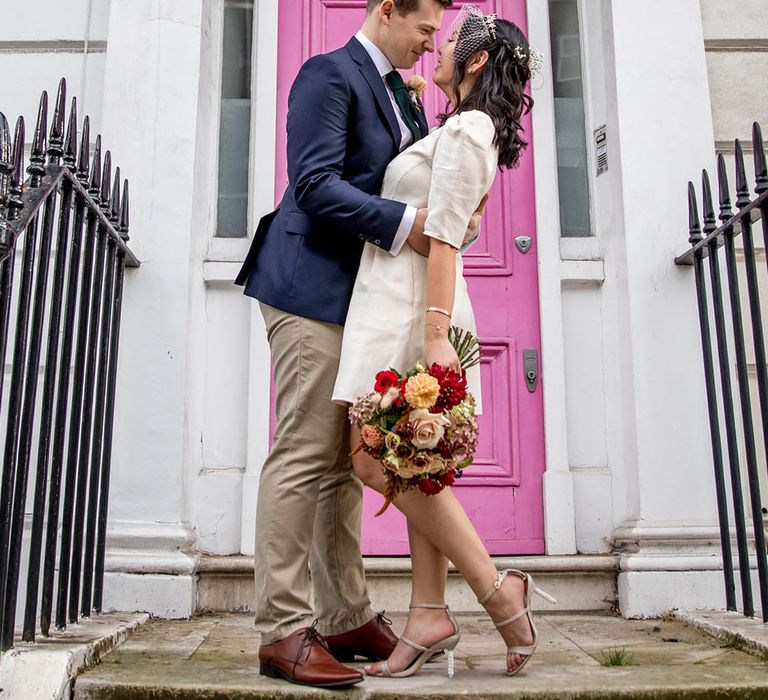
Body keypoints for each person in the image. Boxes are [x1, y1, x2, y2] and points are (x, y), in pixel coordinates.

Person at [235, 0, 483, 689]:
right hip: (307, 289)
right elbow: (314, 186)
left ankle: (344, 616)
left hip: (361, 303)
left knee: (346, 463)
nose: (430, 43)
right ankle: (282, 631)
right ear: (386, 12)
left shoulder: (401, 97)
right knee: (305, 454)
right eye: (425, 29)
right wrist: (412, 224)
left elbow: (414, 187)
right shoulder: (328, 74)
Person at [332, 5, 552, 678]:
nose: (437, 44)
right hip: (395, 302)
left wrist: (433, 337)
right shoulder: (457, 127)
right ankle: (428, 610)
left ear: (478, 61)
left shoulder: (468, 129)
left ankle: (495, 590)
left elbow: (449, 236)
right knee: (412, 462)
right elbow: (447, 211)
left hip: (411, 310)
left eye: (450, 39)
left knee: (374, 458)